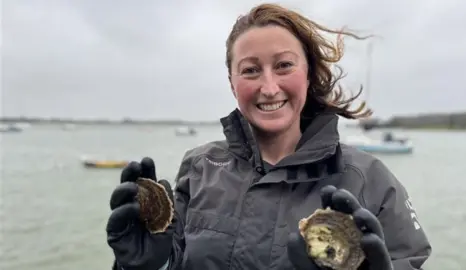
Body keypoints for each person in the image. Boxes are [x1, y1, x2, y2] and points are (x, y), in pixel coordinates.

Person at [106, 3, 432, 270]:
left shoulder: (370, 180)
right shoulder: (198, 166)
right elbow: (173, 260)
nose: (269, 87)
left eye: (284, 65)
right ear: (232, 83)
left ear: (308, 74)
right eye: (250, 70)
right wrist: (144, 266)